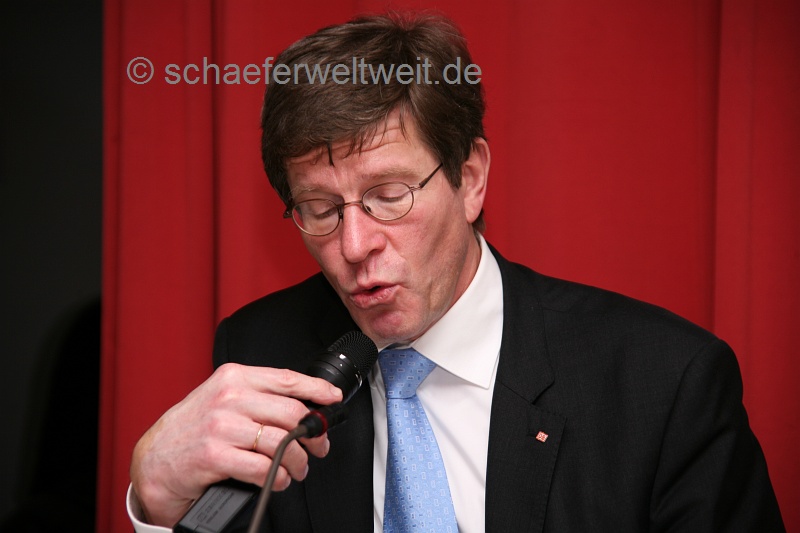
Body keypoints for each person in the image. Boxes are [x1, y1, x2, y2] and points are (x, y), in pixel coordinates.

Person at [128, 12, 785, 532]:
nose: (354, 245)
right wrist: (156, 500)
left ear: (469, 179)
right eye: (321, 209)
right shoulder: (262, 353)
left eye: (389, 196)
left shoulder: (663, 382)